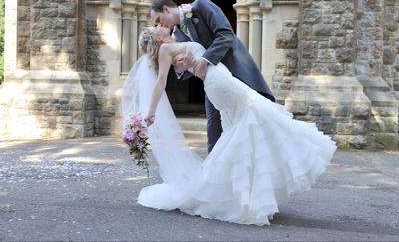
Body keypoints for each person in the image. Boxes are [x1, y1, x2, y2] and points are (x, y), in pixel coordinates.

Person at [121, 25, 337, 226]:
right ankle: (247, 195)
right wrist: (150, 112)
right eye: (156, 26)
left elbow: (188, 63)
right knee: (255, 117)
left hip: (218, 79)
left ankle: (242, 197)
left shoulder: (176, 41)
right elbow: (160, 81)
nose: (159, 24)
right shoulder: (166, 48)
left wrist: (185, 65)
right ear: (158, 38)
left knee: (241, 131)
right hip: (218, 81)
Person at [149, 0, 275, 153]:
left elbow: (226, 34)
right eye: (157, 24)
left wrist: (205, 59)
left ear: (166, 9)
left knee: (255, 116)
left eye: (159, 19)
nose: (160, 24)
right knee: (213, 127)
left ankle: (266, 155)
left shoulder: (200, 5)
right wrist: (183, 67)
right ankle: (215, 172)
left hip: (235, 70)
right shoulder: (177, 35)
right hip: (213, 82)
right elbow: (183, 69)